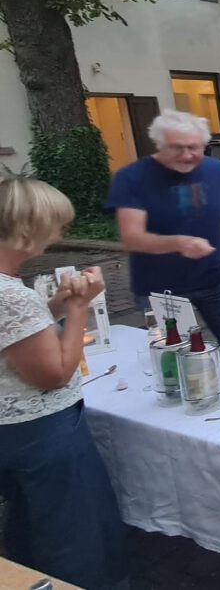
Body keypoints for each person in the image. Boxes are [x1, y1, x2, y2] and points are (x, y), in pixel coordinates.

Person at [0, 178, 128, 589]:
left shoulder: (10, 288)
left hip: (14, 432)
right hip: (41, 431)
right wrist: (77, 309)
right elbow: (54, 374)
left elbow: (19, 335)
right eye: (55, 225)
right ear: (27, 228)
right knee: (75, 531)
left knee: (29, 520)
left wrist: (52, 305)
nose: (59, 235)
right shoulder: (9, 294)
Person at [107, 109, 220, 346]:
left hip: (217, 281)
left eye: (194, 148)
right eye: (176, 147)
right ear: (159, 144)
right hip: (159, 290)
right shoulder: (132, 178)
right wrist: (179, 243)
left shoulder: (219, 171)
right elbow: (132, 238)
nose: (186, 155)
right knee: (174, 357)